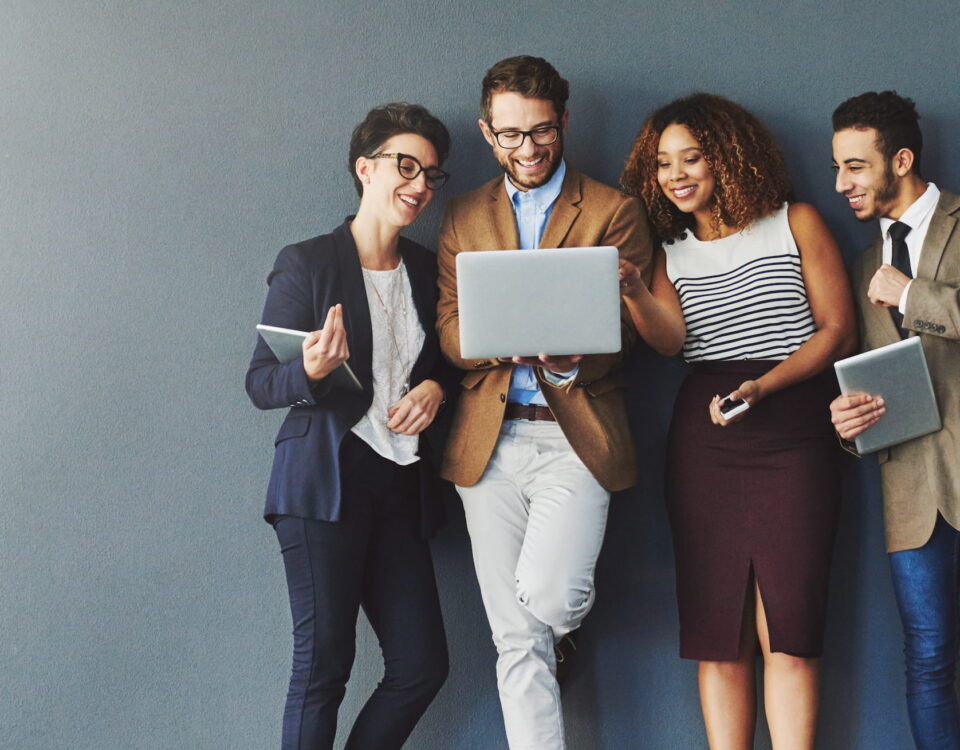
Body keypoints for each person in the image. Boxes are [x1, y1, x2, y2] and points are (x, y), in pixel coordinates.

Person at [619, 93, 855, 750]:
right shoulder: (671, 250)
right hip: (707, 439)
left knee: (791, 626)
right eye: (664, 163)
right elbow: (670, 343)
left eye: (691, 156)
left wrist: (764, 384)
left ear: (729, 157)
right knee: (716, 631)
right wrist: (636, 290)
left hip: (795, 430)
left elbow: (837, 330)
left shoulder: (795, 222)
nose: (676, 174)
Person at [436, 56, 653, 749]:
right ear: (485, 132)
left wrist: (577, 355)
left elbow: (633, 332)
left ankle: (561, 628)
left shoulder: (614, 208)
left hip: (575, 432)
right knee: (514, 641)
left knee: (550, 599)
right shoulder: (463, 214)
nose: (526, 150)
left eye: (540, 132)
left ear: (563, 122)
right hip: (488, 441)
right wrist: (505, 345)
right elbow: (447, 326)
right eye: (509, 135)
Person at [245, 102, 452, 750]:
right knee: (324, 668)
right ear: (366, 168)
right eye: (406, 165)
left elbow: (445, 356)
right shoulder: (307, 262)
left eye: (431, 174)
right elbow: (258, 383)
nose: (419, 185)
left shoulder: (427, 269)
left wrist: (436, 387)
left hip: (401, 485)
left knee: (422, 666)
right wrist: (308, 370)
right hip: (323, 486)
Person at [829, 91, 960, 750]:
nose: (841, 184)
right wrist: (850, 422)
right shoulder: (858, 265)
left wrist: (911, 294)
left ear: (900, 159)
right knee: (929, 659)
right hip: (911, 489)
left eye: (854, 167)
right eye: (837, 169)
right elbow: (873, 377)